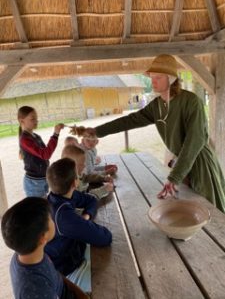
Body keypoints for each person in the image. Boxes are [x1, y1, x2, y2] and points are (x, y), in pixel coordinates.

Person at [69, 54, 225, 213]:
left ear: (171, 79)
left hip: (200, 162)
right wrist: (97, 131)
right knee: (188, 208)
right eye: (152, 77)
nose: (153, 81)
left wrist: (174, 176)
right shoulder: (156, 106)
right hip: (181, 163)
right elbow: (130, 120)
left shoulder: (191, 102)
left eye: (158, 77)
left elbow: (194, 142)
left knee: (210, 211)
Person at [45, 158, 112, 291]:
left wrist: (87, 216)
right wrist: (83, 223)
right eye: (77, 175)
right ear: (75, 182)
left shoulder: (58, 196)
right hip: (64, 268)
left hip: (68, 247)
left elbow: (91, 200)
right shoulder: (65, 217)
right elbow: (105, 237)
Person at [1, 197, 89, 299]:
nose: (53, 221)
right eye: (51, 219)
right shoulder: (33, 289)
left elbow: (55, 276)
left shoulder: (29, 251)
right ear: (42, 238)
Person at [17, 106, 64, 198]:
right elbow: (45, 154)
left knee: (43, 206)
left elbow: (46, 152)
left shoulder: (36, 136)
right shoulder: (25, 139)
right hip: (34, 182)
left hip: (42, 179)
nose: (36, 121)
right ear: (21, 121)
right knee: (38, 210)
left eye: (36, 118)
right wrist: (55, 134)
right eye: (32, 119)